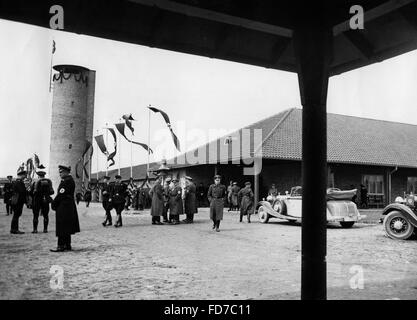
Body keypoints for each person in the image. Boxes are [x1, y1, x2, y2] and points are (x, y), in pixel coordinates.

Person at [50, 165, 80, 252]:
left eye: (61, 172)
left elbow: (61, 194)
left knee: (62, 225)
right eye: (59, 172)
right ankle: (67, 244)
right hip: (68, 205)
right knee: (66, 226)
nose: (60, 174)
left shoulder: (66, 181)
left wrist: (54, 203)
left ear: (66, 172)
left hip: (64, 206)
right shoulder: (69, 180)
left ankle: (60, 245)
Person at [31, 167, 54, 233]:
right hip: (45, 200)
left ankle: (35, 229)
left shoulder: (35, 182)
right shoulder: (49, 182)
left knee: (35, 215)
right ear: (44, 175)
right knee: (46, 215)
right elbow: (52, 192)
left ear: (38, 176)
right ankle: (45, 229)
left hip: (37, 200)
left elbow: (31, 192)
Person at [10, 169, 28, 234]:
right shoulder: (19, 182)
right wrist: (27, 191)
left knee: (16, 215)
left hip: (17, 201)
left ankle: (13, 229)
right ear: (21, 175)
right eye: (25, 175)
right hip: (18, 201)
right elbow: (22, 191)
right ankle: (15, 229)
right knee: (16, 215)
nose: (25, 176)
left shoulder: (17, 182)